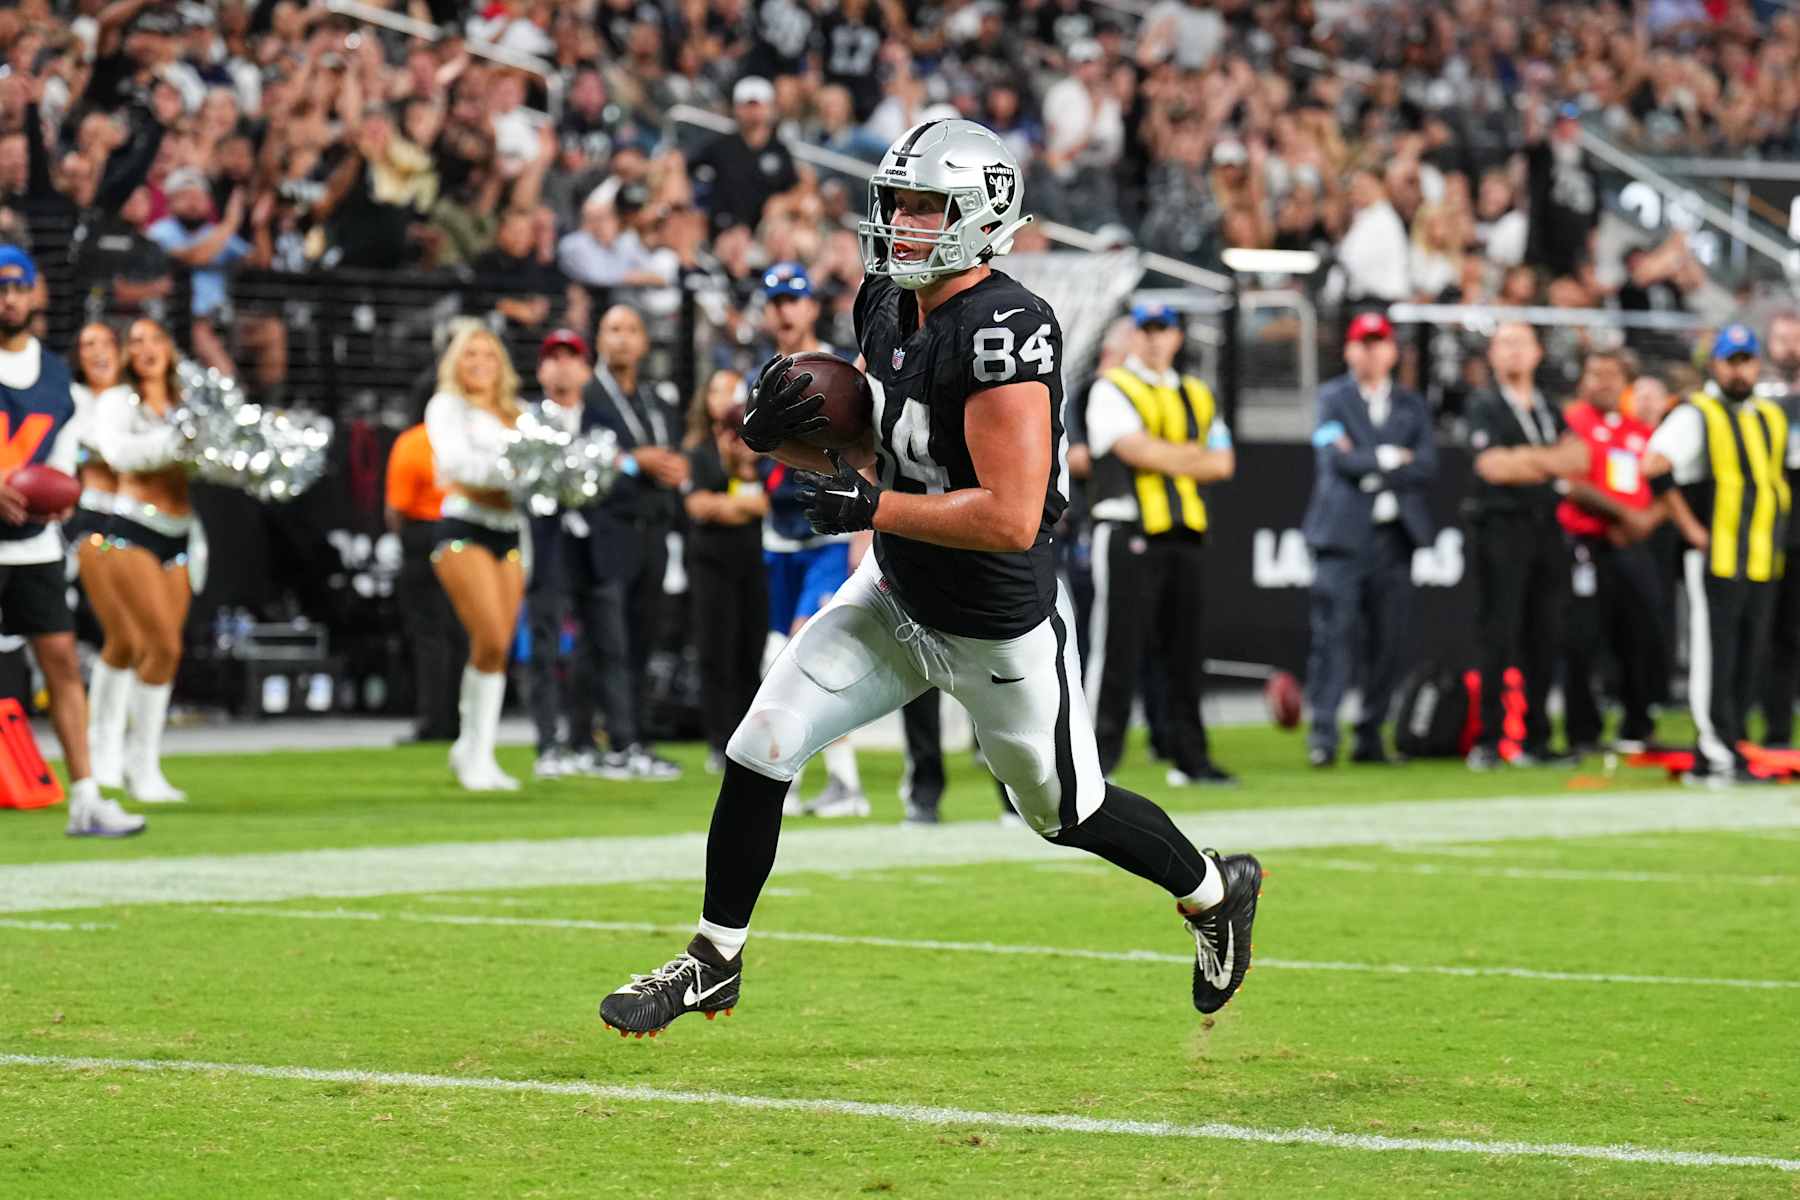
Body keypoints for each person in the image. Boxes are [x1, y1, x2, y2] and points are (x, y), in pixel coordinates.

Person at [599, 119, 1262, 1038]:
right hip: (897, 594)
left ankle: (1213, 888)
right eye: (898, 203)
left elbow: (1008, 514)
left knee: (1068, 811)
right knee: (762, 745)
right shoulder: (886, 298)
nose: (903, 224)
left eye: (926, 207)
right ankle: (713, 960)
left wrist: (872, 510)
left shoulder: (1007, 329)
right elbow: (877, 432)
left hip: (996, 623)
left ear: (982, 217)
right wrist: (780, 429)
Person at [0, 249, 141, 836]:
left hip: (33, 545)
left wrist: (61, 496)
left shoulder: (58, 376)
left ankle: (86, 797)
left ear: (37, 295)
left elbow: (62, 461)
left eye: (17, 286)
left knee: (60, 660)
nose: (7, 297)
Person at [1475, 349, 1665, 754]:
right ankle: (1577, 731)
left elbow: (1658, 478)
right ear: (1582, 380)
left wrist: (1644, 519)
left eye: (1612, 375)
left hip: (1627, 543)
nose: (1604, 382)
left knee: (1639, 633)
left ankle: (1636, 723)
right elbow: (1568, 474)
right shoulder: (1574, 418)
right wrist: (1623, 514)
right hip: (1583, 541)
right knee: (1578, 640)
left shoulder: (1635, 429)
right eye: (1595, 374)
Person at [1082, 302, 1237, 786]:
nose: (1153, 339)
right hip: (1128, 530)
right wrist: (1191, 456)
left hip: (1184, 534)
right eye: (1144, 329)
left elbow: (1224, 463)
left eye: (1162, 329)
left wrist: (1165, 455)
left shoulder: (1196, 391)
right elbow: (1131, 449)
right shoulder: (1110, 387)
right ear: (1131, 336)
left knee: (1185, 654)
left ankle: (1191, 758)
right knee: (1116, 655)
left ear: (1176, 337)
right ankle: (1094, 764)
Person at [1641, 325, 1789, 785]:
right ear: (1715, 364)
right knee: (1715, 654)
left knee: (1749, 654)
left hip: (1762, 554)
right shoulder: (1697, 413)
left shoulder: (1769, 414)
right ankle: (1713, 749)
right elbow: (1655, 465)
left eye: (1747, 359)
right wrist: (1690, 528)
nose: (1740, 369)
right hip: (1715, 555)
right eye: (1732, 360)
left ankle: (1736, 742)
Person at [755, 262, 866, 816]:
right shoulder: (757, 371)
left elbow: (862, 452)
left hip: (826, 532)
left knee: (798, 653)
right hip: (779, 537)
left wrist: (862, 531)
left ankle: (811, 777)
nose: (784, 310)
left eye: (793, 299)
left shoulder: (836, 374)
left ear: (810, 306)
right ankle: (835, 780)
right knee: (782, 657)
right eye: (775, 300)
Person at [1301, 313, 1437, 767]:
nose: (1373, 352)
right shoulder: (1331, 397)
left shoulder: (1411, 404)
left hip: (1394, 537)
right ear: (1349, 350)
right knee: (1333, 638)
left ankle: (1370, 735)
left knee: (1389, 641)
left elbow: (1427, 465)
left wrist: (1366, 457)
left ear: (1393, 351)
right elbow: (1337, 461)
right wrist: (1388, 455)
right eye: (1364, 343)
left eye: (1380, 343)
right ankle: (1323, 735)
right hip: (1341, 537)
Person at [93, 316, 198, 806]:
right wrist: (178, 443)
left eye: (157, 337)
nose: (147, 347)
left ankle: (143, 762)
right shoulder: (116, 401)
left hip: (179, 535)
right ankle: (133, 763)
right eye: (136, 340)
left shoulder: (189, 401)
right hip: (132, 529)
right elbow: (119, 455)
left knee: (158, 652)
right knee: (160, 645)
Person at [578, 304, 685, 779]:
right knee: (609, 642)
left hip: (653, 532)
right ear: (599, 339)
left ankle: (635, 737)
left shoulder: (655, 400)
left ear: (643, 343)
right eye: (612, 329)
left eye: (630, 330)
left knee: (643, 640)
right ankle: (614, 741)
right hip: (607, 529)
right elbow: (580, 459)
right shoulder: (587, 397)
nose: (621, 339)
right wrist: (630, 462)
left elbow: (671, 452)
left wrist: (677, 469)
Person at [1463, 323, 1571, 768]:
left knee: (1544, 634)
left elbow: (1579, 459)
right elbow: (1492, 467)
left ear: (1537, 353)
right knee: (1499, 632)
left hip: (1547, 528)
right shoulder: (1483, 404)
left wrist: (1524, 460)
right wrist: (1548, 464)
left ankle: (1538, 738)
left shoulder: (1549, 406)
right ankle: (1488, 739)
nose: (1512, 352)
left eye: (1520, 343)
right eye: (1503, 344)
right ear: (1491, 355)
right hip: (1502, 528)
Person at [424, 322, 527, 792]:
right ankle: (473, 753)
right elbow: (456, 465)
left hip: (510, 532)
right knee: (487, 637)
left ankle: (475, 749)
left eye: (488, 354)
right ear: (456, 363)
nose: (480, 363)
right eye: (470, 355)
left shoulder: (518, 413)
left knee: (499, 647)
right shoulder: (447, 407)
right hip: (464, 526)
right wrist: (514, 472)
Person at [523, 327, 613, 779]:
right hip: (545, 541)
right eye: (553, 357)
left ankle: (582, 737)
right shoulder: (527, 424)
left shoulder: (601, 420)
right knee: (544, 642)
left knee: (593, 645)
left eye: (570, 357)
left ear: (585, 368)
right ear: (541, 370)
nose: (561, 365)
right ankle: (547, 741)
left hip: (592, 544)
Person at [683, 368, 767, 772]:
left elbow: (763, 504)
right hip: (710, 563)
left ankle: (749, 739)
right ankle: (719, 740)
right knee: (716, 651)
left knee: (750, 652)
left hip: (752, 561)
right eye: (715, 389)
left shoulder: (761, 448)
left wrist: (739, 484)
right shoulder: (697, 450)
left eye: (730, 388)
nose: (723, 397)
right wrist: (735, 505)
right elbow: (696, 507)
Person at [67, 322, 137, 789]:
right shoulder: (69, 397)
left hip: (131, 522)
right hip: (84, 523)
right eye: (86, 345)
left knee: (135, 639)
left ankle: (118, 743)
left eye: (104, 343)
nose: (96, 352)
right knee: (120, 635)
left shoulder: (135, 402)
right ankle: (100, 742)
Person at [384, 418, 465, 746]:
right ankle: (459, 720)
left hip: (422, 536)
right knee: (460, 633)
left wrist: (404, 540)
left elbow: (396, 508)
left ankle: (433, 721)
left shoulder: (413, 442)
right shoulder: (468, 439)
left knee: (429, 635)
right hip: (462, 534)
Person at [1754, 311, 1800, 745]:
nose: (1788, 346)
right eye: (1780, 337)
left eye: (1794, 337)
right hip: (1775, 533)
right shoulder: (1755, 398)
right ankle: (1777, 730)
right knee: (1780, 634)